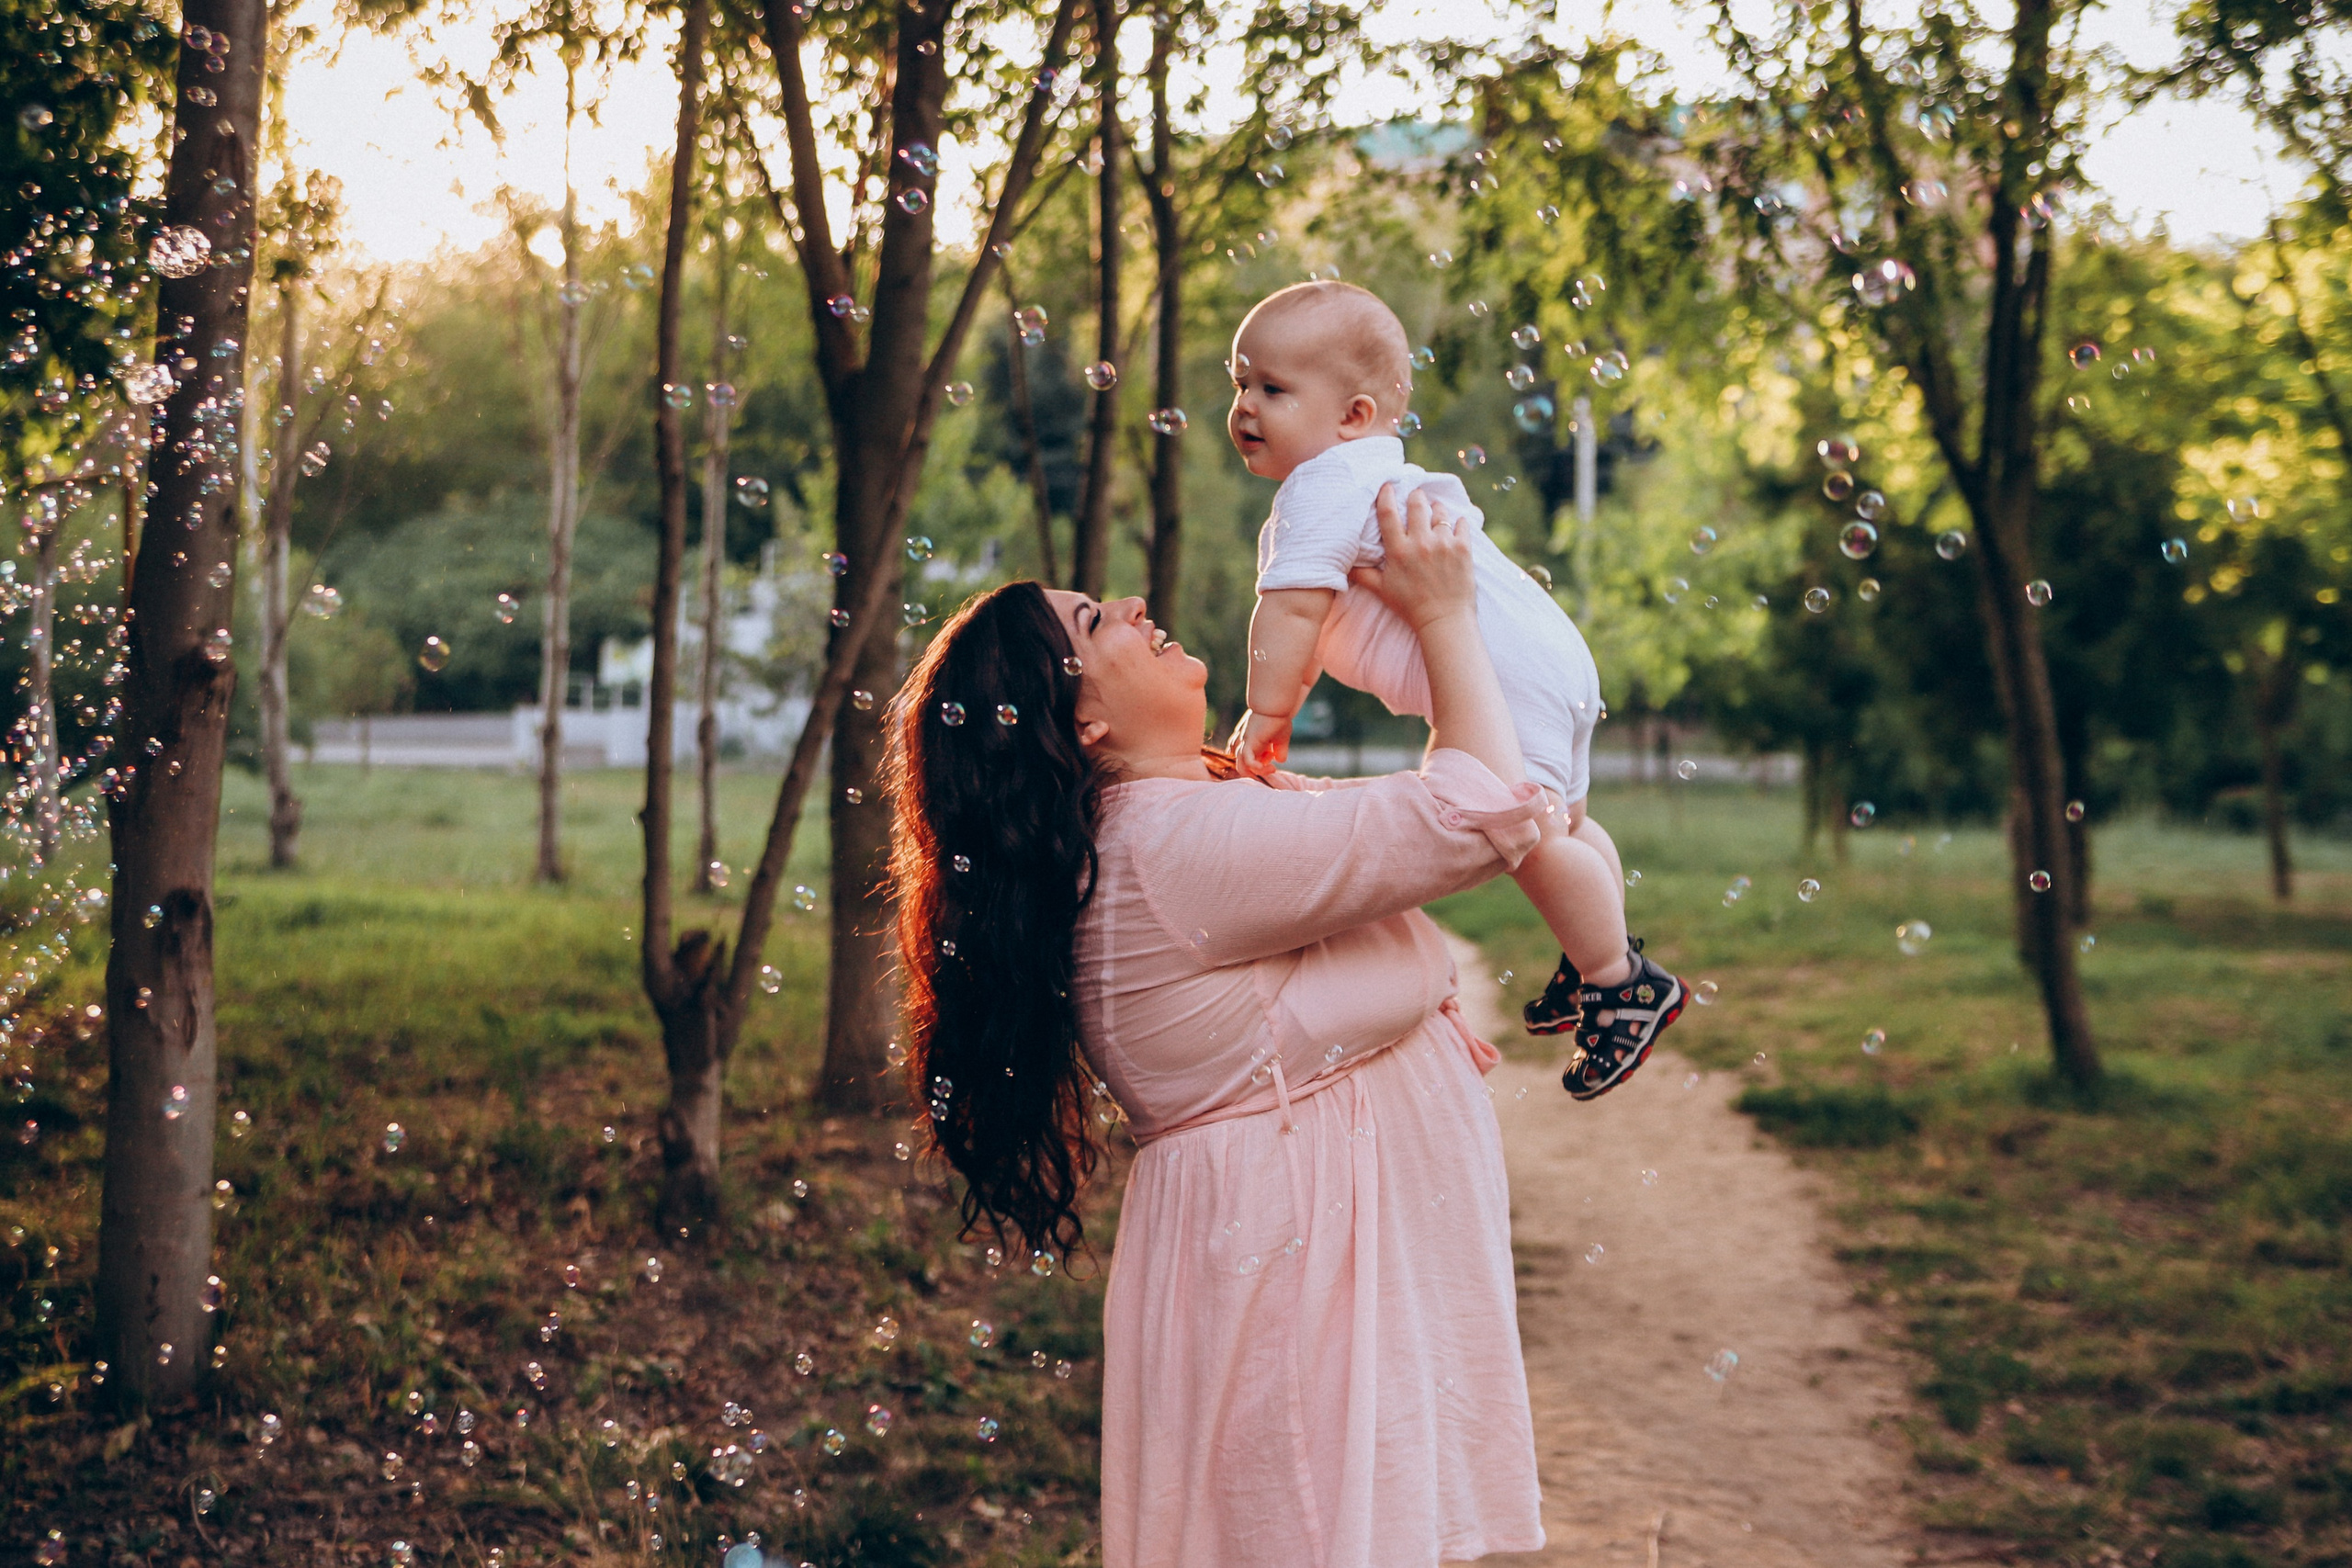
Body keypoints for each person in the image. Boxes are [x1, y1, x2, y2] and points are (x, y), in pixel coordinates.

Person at [887, 487, 1545, 1566]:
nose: (1136, 604)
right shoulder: (1172, 847)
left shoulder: (1167, 823)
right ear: (1080, 720)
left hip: (1299, 1241)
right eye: (1095, 621)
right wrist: (1443, 612)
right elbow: (1474, 809)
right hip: (1298, 1255)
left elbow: (1386, 832)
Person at [1226, 279, 1683, 1099]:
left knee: (1525, 837)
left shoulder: (1322, 485)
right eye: (1241, 384)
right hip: (1549, 657)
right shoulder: (1376, 472)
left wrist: (1267, 709)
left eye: (1272, 389)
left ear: (1353, 415)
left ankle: (1619, 979)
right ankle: (1593, 959)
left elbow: (1290, 611)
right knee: (1568, 821)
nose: (1247, 407)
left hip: (1505, 678)